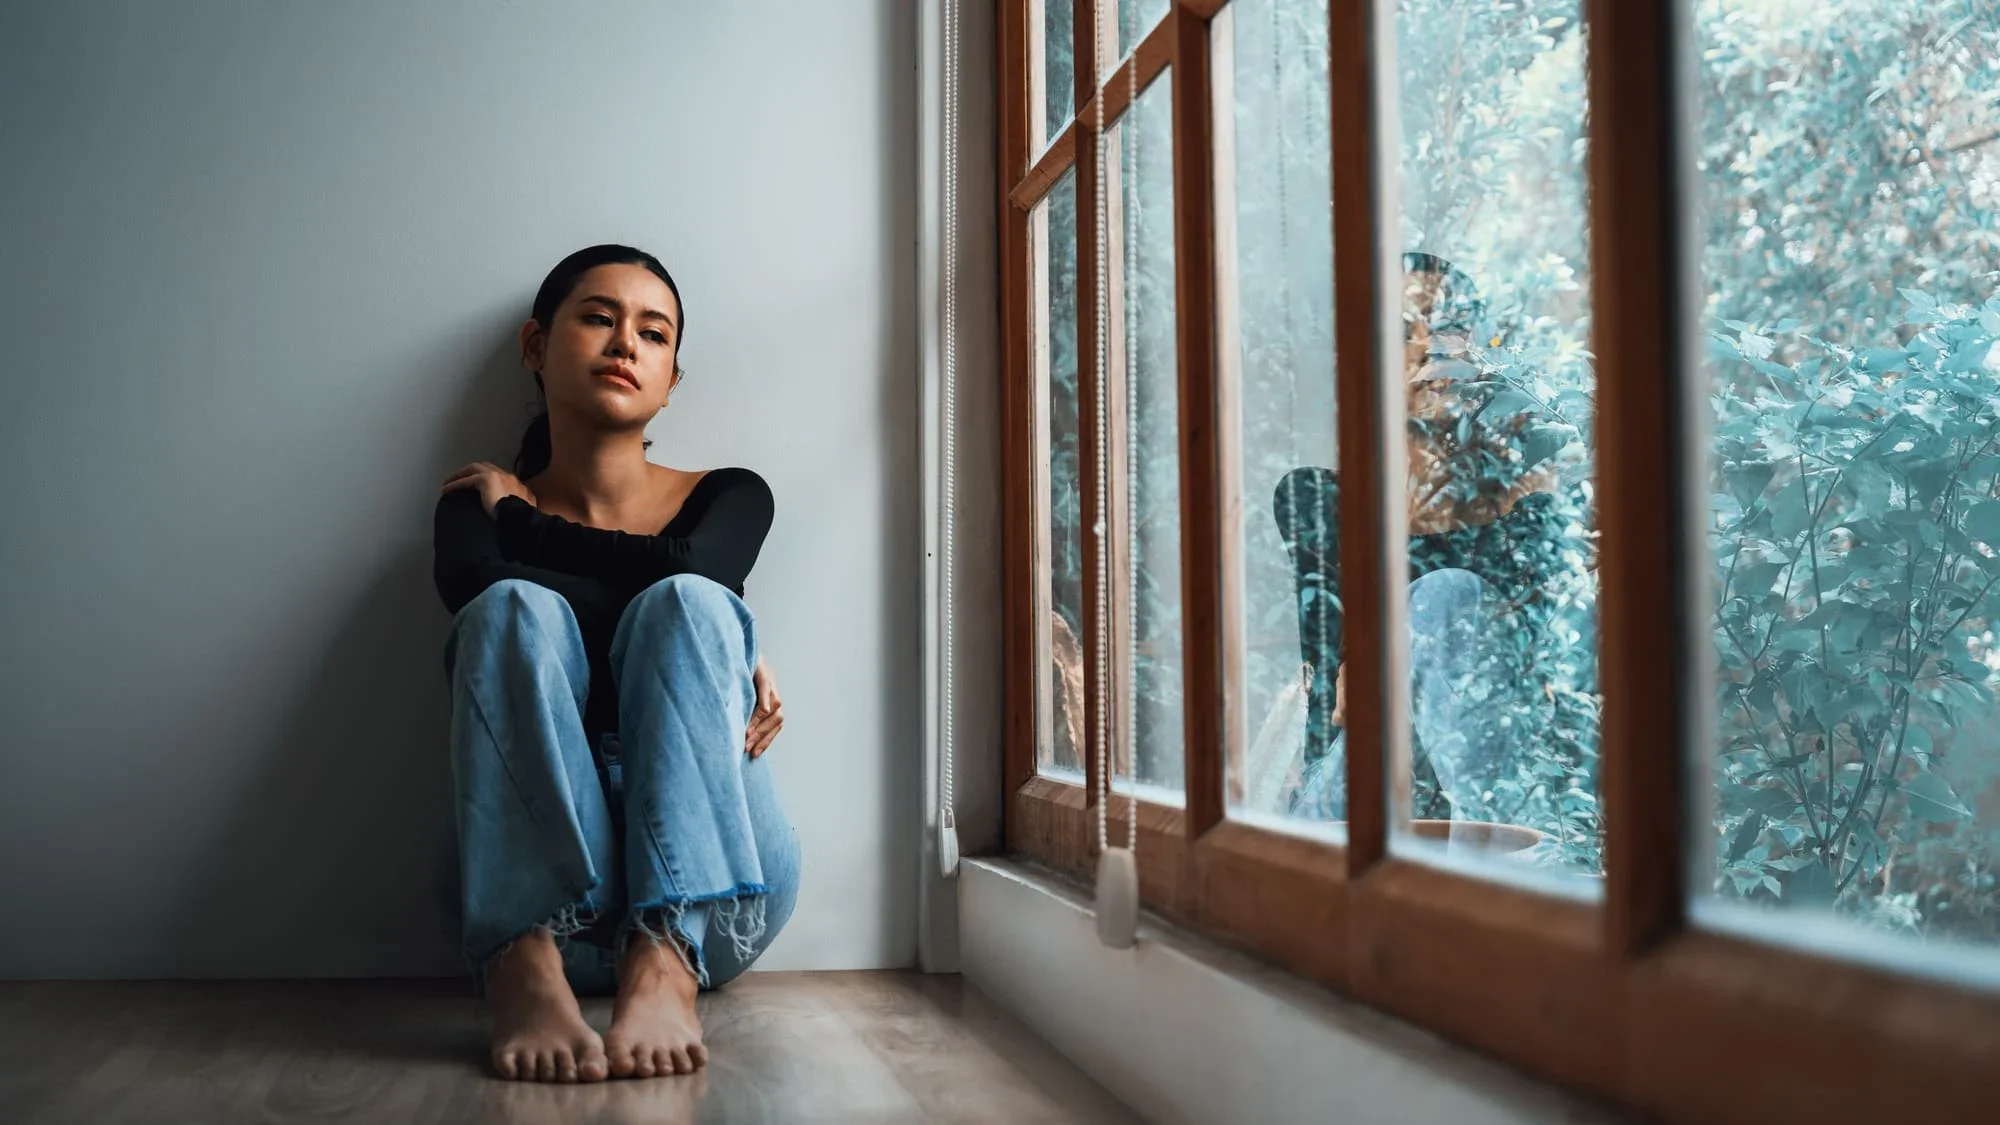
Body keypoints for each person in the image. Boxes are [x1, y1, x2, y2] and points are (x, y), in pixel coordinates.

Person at [431, 243, 799, 1084]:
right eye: (598, 317)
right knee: (514, 608)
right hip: (534, 910)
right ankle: (521, 969)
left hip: (718, 906)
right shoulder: (471, 503)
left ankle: (665, 960)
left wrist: (527, 528)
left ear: (671, 377)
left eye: (653, 332)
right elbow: (479, 590)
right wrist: (735, 636)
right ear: (536, 346)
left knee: (690, 603)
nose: (625, 343)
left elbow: (696, 570)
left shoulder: (729, 493)